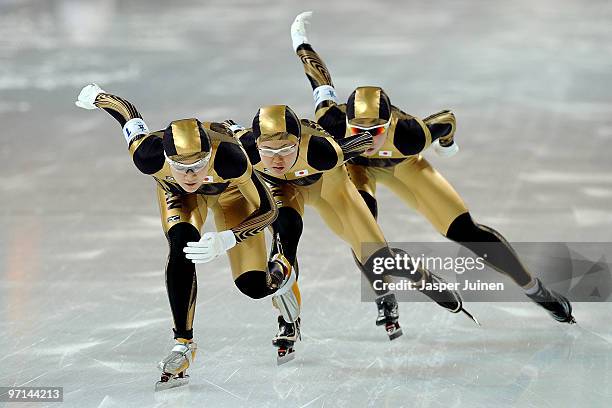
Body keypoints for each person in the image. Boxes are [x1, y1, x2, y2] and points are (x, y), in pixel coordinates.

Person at [289, 11, 575, 324]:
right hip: (356, 168)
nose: (368, 138)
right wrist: (301, 43)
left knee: (467, 231)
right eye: (359, 130)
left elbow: (446, 119)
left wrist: (446, 144)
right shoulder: (332, 120)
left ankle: (533, 288)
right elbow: (319, 80)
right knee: (363, 232)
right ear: (347, 123)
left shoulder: (411, 134)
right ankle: (384, 295)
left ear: (390, 125)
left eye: (377, 131)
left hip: (402, 165)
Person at [75, 84, 295, 390]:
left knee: (253, 287)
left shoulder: (230, 157)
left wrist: (229, 238)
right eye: (181, 167)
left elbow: (269, 210)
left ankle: (281, 270)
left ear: (210, 155)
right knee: (180, 247)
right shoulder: (147, 154)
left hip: (230, 192)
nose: (191, 175)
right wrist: (99, 97)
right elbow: (127, 114)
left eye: (198, 165)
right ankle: (183, 343)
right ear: (167, 158)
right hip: (179, 198)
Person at [229, 105, 476, 363]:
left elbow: (366, 141)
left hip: (331, 190)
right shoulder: (243, 149)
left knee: (378, 259)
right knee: (284, 244)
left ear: (299, 143)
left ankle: (423, 278)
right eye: (267, 150)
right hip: (284, 192)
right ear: (255, 144)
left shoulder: (322, 150)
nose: (276, 159)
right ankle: (287, 319)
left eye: (286, 149)